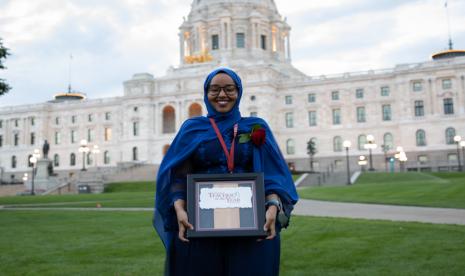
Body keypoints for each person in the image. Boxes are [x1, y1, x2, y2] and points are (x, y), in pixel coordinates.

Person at [153, 68, 298, 276]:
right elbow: (178, 174)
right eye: (215, 89)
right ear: (206, 93)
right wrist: (179, 208)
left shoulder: (255, 127)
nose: (222, 95)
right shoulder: (192, 128)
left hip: (251, 223)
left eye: (229, 89)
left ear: (239, 92)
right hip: (200, 222)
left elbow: (272, 174)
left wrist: (273, 206)